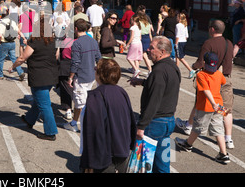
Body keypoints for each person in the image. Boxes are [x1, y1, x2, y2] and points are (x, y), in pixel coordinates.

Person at [176, 19, 235, 149]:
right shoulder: (228, 43)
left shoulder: (208, 43)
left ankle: (189, 126)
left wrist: (193, 66)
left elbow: (201, 62)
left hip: (210, 79)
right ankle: (228, 139)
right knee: (226, 108)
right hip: (225, 78)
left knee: (201, 103)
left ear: (212, 29)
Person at [129, 36, 181, 173]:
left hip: (155, 123)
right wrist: (143, 82)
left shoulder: (159, 71)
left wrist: (141, 126)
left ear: (162, 52)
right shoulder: (173, 67)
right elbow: (165, 87)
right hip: (169, 122)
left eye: (152, 48)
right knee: (163, 164)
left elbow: (154, 100)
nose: (148, 49)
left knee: (146, 164)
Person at [80, 59, 136, 173]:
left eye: (96, 71)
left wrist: (89, 160)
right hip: (122, 149)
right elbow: (131, 120)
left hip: (105, 155)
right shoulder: (121, 92)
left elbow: (93, 129)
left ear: (100, 75)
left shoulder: (96, 95)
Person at [175, 52, 230, 164]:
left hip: (206, 106)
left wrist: (212, 103)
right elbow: (224, 82)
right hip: (219, 105)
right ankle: (223, 154)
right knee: (218, 129)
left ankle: (188, 144)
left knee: (197, 127)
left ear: (204, 63)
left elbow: (206, 90)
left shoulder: (201, 75)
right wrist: (216, 103)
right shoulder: (219, 74)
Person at [11, 14, 59, 141]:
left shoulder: (35, 41)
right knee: (40, 101)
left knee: (44, 105)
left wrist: (13, 66)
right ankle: (29, 119)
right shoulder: (53, 41)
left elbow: (23, 57)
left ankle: (50, 132)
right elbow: (57, 56)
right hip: (51, 75)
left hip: (39, 76)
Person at [65, 19, 101, 133]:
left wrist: (70, 77)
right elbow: (98, 58)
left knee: (81, 103)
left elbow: (75, 62)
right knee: (81, 102)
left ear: (76, 29)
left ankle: (85, 125)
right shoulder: (93, 41)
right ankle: (74, 122)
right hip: (90, 76)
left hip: (81, 76)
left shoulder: (76, 43)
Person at [0, 5, 25, 81]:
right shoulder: (12, 20)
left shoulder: (2, 22)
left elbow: (0, 34)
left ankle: (0, 74)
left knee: (1, 59)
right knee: (13, 58)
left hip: (4, 43)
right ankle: (20, 72)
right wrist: (23, 37)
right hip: (12, 42)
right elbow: (18, 30)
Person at [175, 13, 196, 77]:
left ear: (179, 18)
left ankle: (190, 70)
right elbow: (187, 35)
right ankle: (176, 70)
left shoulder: (178, 25)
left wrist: (175, 43)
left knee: (180, 57)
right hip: (184, 41)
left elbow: (177, 35)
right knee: (177, 57)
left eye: (177, 17)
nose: (176, 17)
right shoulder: (185, 25)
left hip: (179, 42)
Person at [138, 12, 153, 76]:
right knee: (144, 55)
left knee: (141, 55)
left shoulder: (139, 24)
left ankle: (136, 69)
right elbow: (150, 33)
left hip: (142, 38)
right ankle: (149, 70)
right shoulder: (148, 24)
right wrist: (151, 41)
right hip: (147, 38)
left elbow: (139, 32)